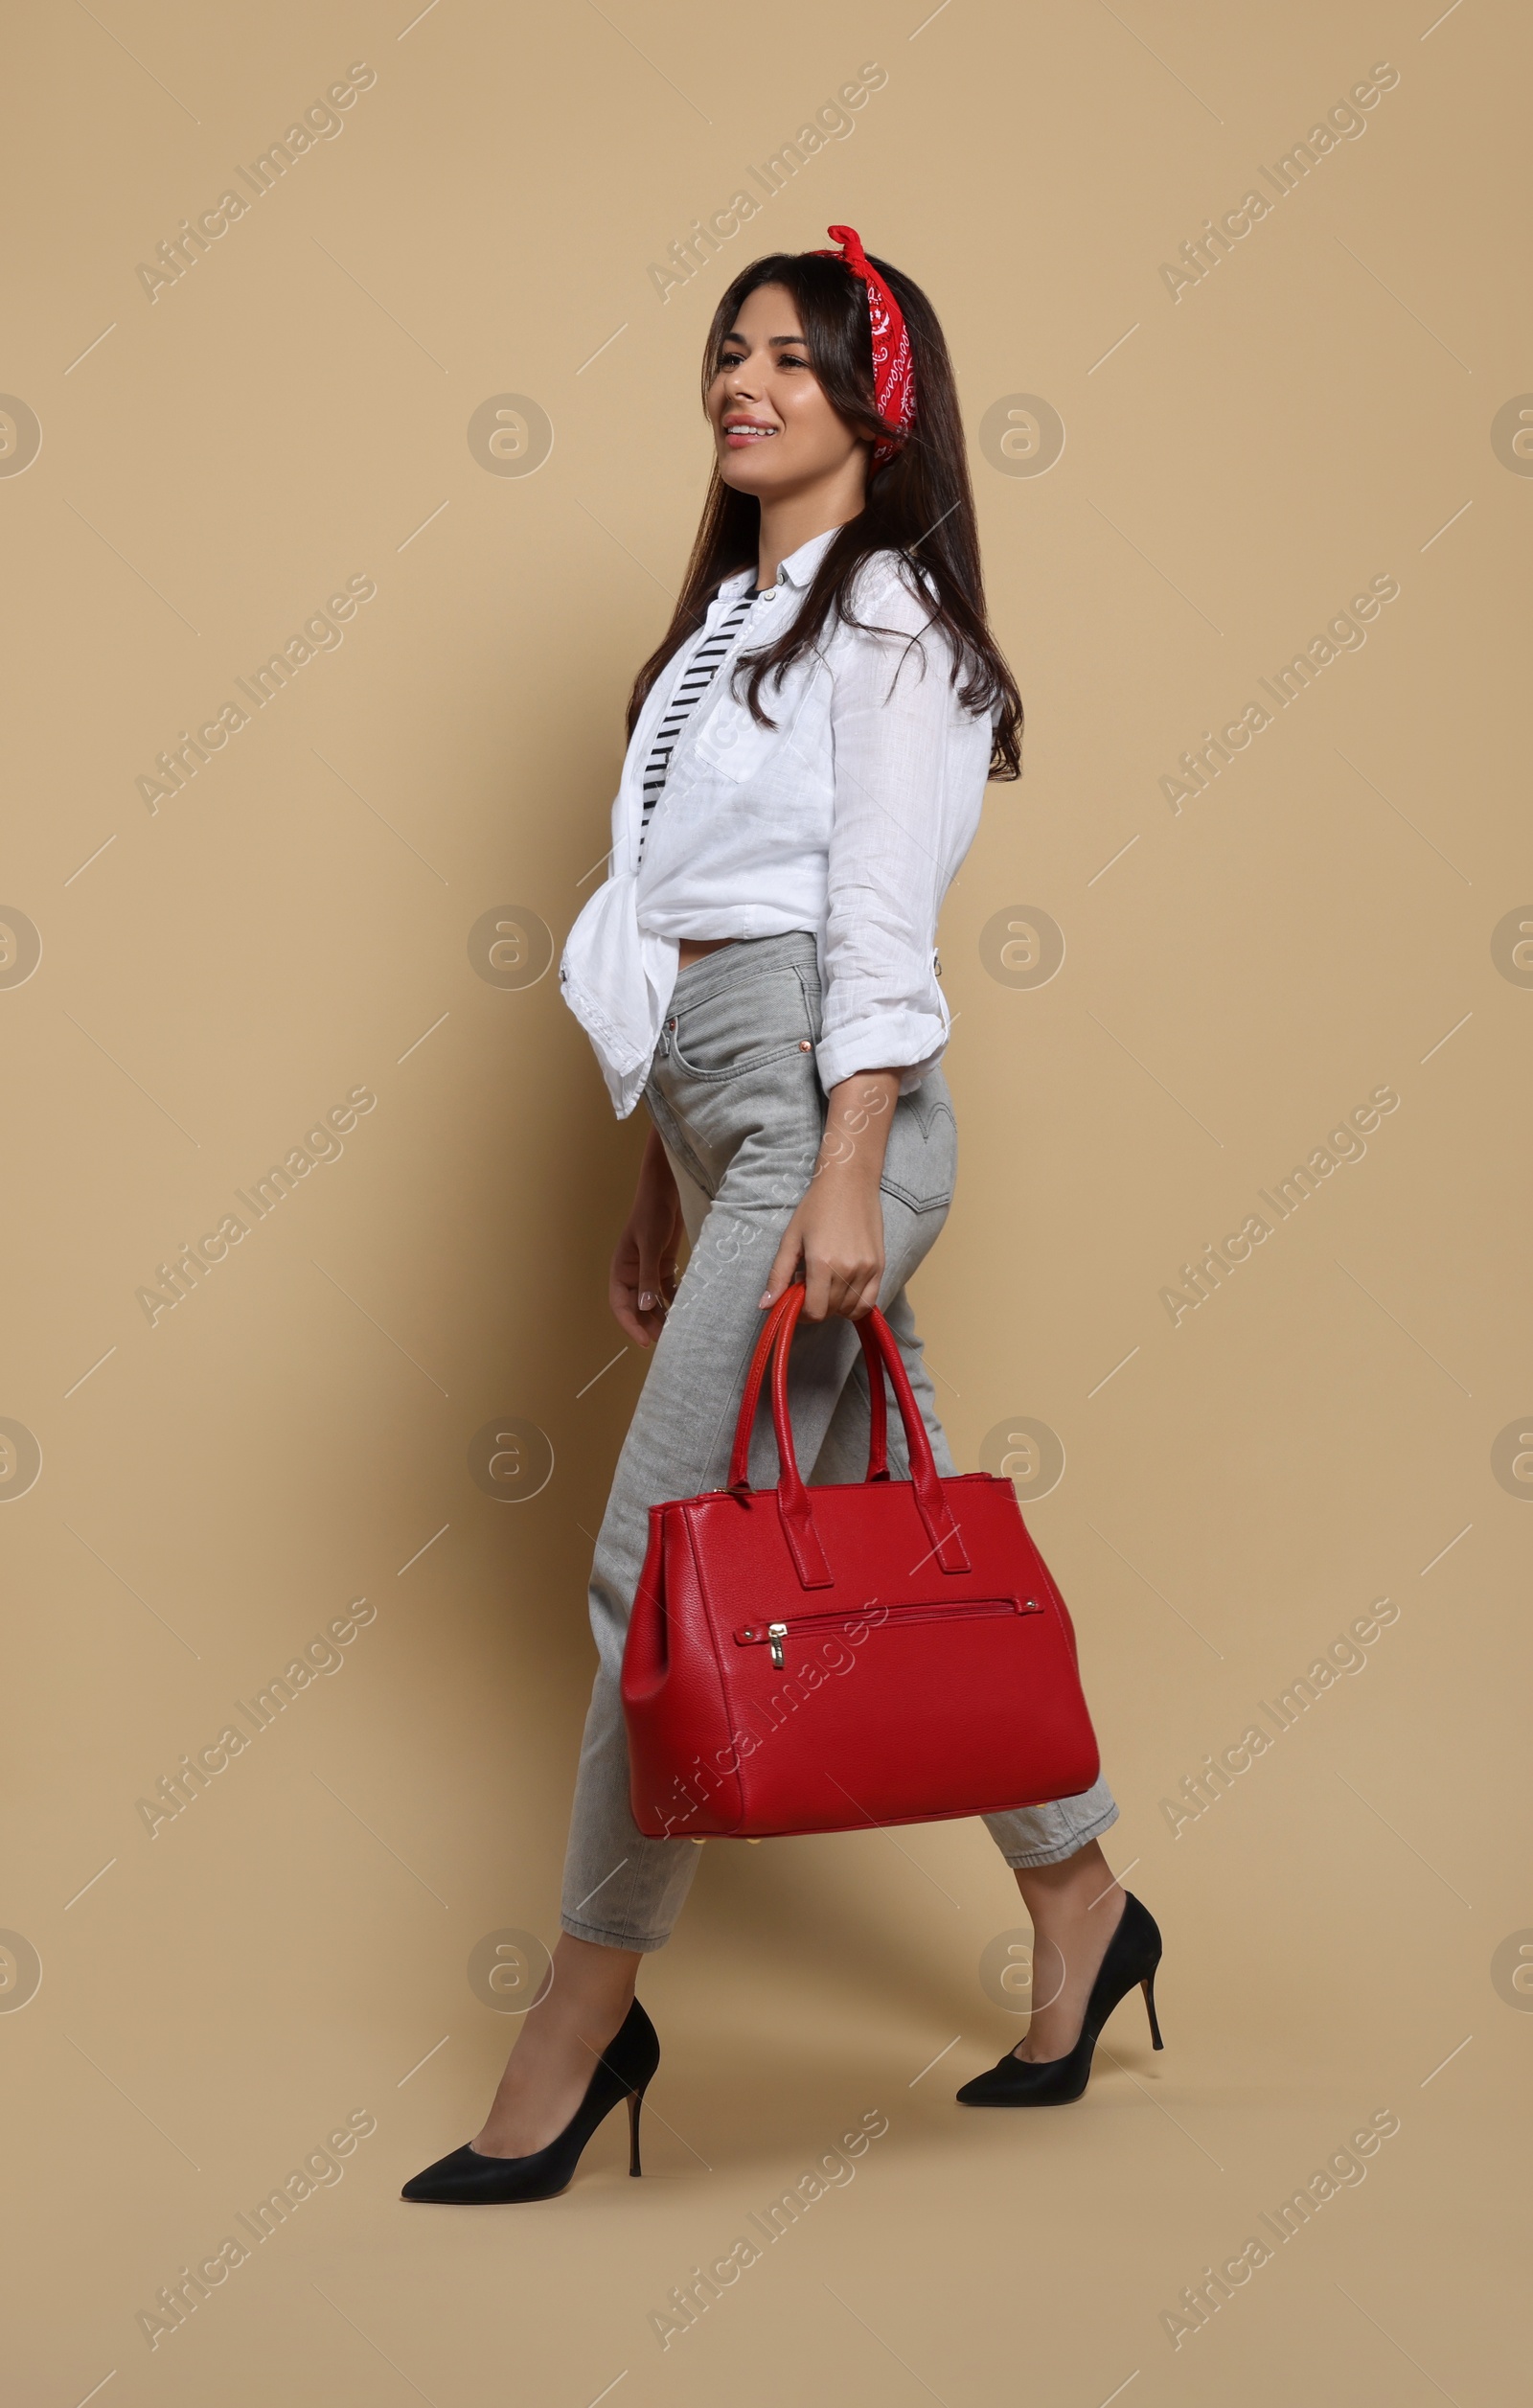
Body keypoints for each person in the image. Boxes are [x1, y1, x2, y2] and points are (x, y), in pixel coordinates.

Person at [403, 227, 1162, 2206]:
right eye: (727, 352)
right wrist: (641, 1178)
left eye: (794, 360)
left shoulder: (886, 614)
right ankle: (1078, 1898)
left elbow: (873, 925)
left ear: (870, 404)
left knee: (651, 1576)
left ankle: (577, 2022)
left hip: (833, 1094)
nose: (745, 383)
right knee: (864, 1567)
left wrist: (839, 1159)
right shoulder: (711, 634)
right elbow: (652, 930)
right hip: (717, 1108)